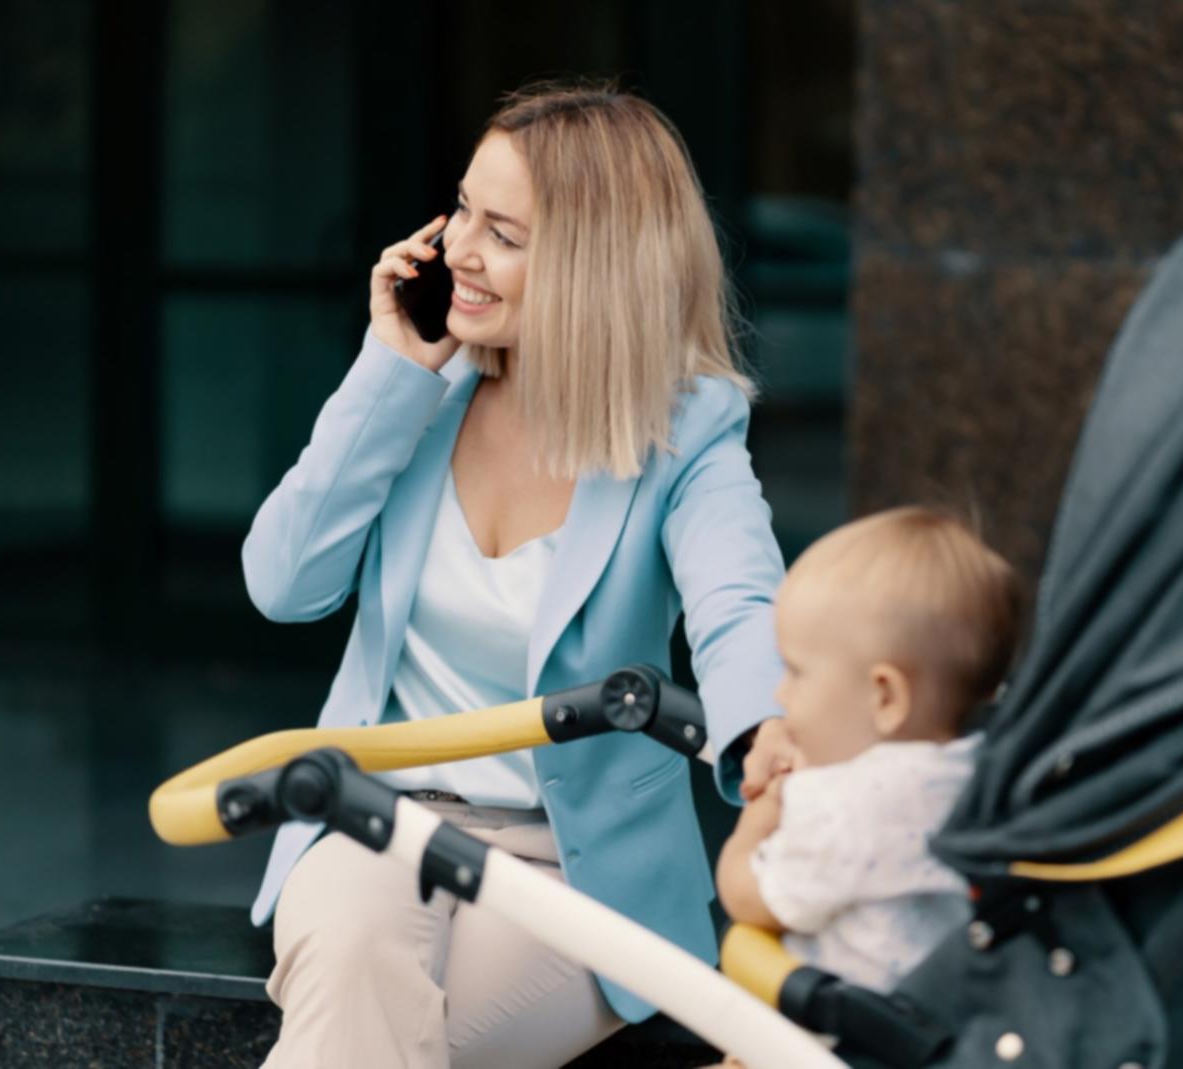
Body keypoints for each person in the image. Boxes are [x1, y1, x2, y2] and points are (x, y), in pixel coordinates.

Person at [243, 82, 798, 1069]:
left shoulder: (687, 426)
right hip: (377, 828)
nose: (457, 248)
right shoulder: (420, 391)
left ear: (594, 265)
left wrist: (763, 733)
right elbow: (283, 584)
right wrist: (388, 369)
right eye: (462, 209)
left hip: (576, 870)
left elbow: (737, 601)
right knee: (355, 970)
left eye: (502, 234)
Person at [717, 507, 1023, 994]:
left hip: (832, 1031)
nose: (780, 694)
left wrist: (763, 813)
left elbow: (746, 899)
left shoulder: (843, 810)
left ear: (885, 698)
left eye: (796, 672)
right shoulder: (979, 775)